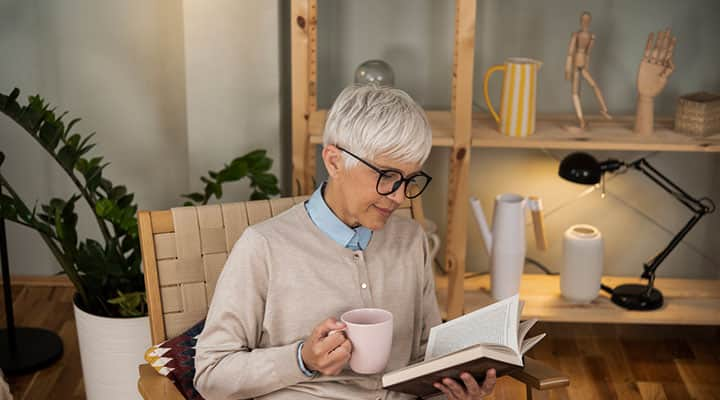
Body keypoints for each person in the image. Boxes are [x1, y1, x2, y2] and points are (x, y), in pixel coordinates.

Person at [194, 84, 497, 399]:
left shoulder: (411, 240)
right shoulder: (263, 247)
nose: (398, 196)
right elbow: (211, 374)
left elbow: (427, 355)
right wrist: (302, 359)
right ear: (335, 161)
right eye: (388, 176)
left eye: (409, 180)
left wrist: (455, 389)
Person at [565, 11, 612, 129]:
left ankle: (602, 110)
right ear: (581, 21)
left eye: (586, 20)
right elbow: (575, 53)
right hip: (579, 63)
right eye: (583, 20)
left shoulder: (586, 35)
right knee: (579, 91)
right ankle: (583, 118)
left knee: (581, 90)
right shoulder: (583, 35)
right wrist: (569, 67)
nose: (584, 22)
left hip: (579, 63)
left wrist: (570, 68)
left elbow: (581, 53)